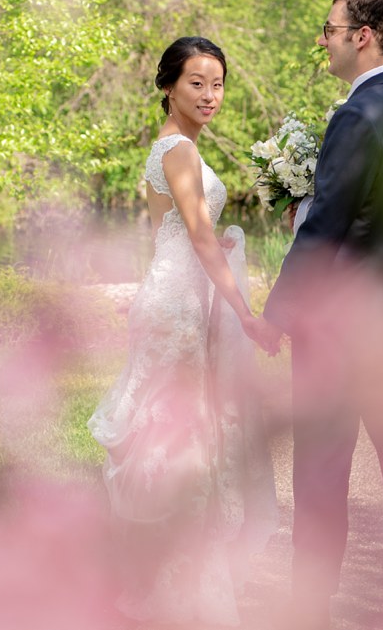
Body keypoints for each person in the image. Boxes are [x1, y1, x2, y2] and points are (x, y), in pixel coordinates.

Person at [264, 0, 383, 629]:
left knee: (320, 466)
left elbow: (326, 229)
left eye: (330, 26)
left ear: (361, 35)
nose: (324, 37)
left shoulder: (356, 115)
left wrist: (277, 310)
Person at [88, 36, 281, 627]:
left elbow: (186, 233)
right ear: (168, 87)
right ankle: (170, 585)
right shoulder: (177, 150)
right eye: (196, 82)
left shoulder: (180, 150)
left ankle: (170, 578)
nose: (209, 94)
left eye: (217, 83)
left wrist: (218, 248)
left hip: (178, 297)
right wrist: (247, 313)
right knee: (177, 441)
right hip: (175, 308)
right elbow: (195, 237)